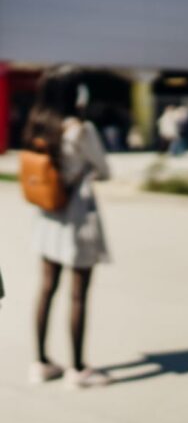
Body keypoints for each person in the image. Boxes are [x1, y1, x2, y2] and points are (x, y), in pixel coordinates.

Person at [23, 65, 111, 388]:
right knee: (78, 294)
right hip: (76, 218)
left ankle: (40, 362)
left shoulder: (38, 123)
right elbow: (105, 169)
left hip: (46, 215)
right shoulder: (81, 129)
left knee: (46, 288)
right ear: (73, 92)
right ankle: (77, 368)